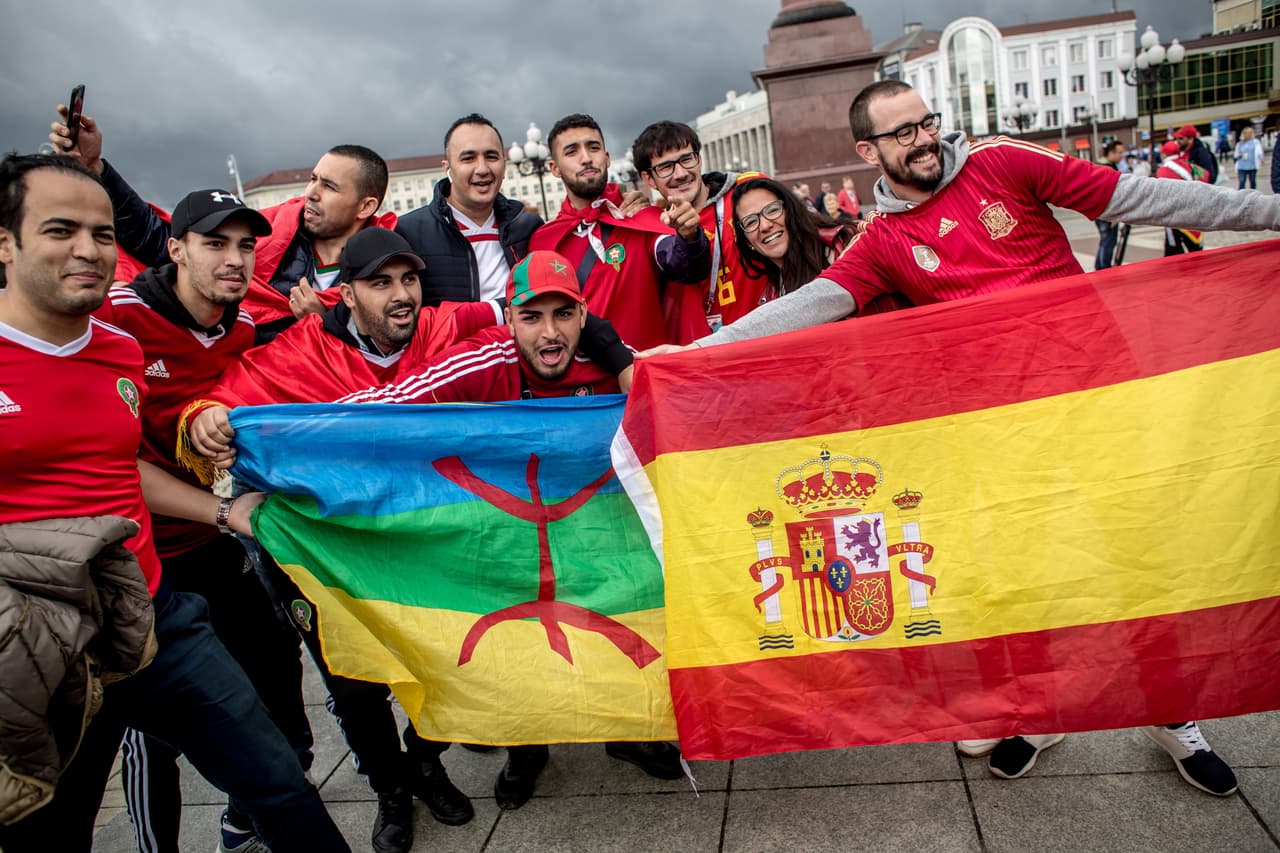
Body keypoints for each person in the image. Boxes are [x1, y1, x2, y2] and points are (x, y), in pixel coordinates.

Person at [643, 79, 1280, 795]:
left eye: (925, 123)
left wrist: (1270, 212)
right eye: (902, 133)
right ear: (868, 150)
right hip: (1000, 436)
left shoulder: (1002, 163)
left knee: (1133, 564)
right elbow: (813, 304)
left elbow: (1139, 198)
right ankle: (1042, 710)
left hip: (1097, 409)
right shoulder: (882, 241)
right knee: (1027, 579)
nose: (923, 140)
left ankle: (1175, 718)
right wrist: (693, 355)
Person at [0, 153, 349, 851]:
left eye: (102, 234)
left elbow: (125, 464)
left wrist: (226, 511)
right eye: (60, 229)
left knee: (277, 778)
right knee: (51, 828)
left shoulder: (116, 349)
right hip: (34, 634)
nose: (89, 249)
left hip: (151, 608)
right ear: (5, 244)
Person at [93, 188, 315, 853]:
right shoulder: (117, 321)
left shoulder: (243, 327)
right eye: (216, 242)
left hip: (221, 539)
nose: (235, 258)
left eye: (247, 244)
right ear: (176, 247)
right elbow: (115, 462)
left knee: (274, 676)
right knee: (150, 731)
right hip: (138, 557)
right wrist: (224, 510)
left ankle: (247, 812)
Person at [49, 106, 394, 343]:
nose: (310, 194)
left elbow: (394, 346)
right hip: (235, 401)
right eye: (313, 180)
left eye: (328, 187)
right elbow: (164, 243)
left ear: (366, 206)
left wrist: (327, 323)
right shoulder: (269, 230)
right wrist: (98, 170)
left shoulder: (391, 261)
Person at [528, 113, 711, 351]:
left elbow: (680, 261)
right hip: (578, 383)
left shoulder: (642, 218)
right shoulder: (544, 240)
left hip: (644, 375)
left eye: (593, 148)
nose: (586, 158)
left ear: (606, 158)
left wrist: (689, 237)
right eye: (571, 151)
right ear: (554, 168)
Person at [631, 119, 769, 338]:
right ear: (649, 179)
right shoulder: (656, 228)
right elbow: (682, 267)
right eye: (666, 167)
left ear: (699, 159)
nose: (681, 173)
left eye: (687, 159)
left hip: (773, 338)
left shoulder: (749, 190)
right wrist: (688, 236)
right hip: (712, 357)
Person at [395, 114, 541, 305]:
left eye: (491, 156)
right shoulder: (409, 233)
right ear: (448, 168)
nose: (482, 169)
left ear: (504, 165)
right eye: (468, 158)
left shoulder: (527, 226)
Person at [1156, 140, 1211, 256]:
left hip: (1175, 215)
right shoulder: (1189, 165)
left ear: (1165, 154)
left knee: (1174, 250)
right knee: (1195, 250)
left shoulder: (1163, 170)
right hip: (1193, 212)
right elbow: (1206, 176)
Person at [1093, 140, 1126, 269]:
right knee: (1108, 241)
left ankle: (1099, 267)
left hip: (1098, 211)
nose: (1121, 156)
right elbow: (1111, 193)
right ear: (1111, 153)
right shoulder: (1108, 168)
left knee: (1104, 240)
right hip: (1107, 212)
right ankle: (1103, 268)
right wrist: (1114, 214)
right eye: (1119, 152)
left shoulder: (1097, 165)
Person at [1233, 126, 1265, 190]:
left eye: (1250, 133)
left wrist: (1261, 158)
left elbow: (1259, 151)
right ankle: (1240, 195)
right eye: (1246, 133)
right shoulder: (1239, 144)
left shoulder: (1255, 142)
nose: (1248, 134)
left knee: (1252, 181)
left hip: (1252, 165)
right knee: (1242, 181)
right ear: (1243, 134)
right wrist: (1239, 155)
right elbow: (1235, 155)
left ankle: (1253, 195)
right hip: (1242, 166)